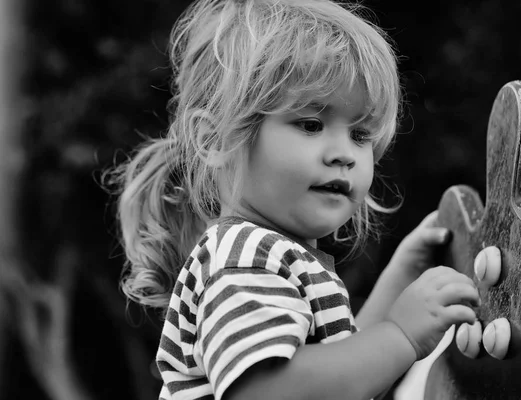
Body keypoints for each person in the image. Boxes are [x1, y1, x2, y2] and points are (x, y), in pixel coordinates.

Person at [111, 0, 482, 399]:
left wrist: (402, 275)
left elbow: (344, 372)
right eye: (311, 124)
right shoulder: (244, 256)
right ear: (214, 139)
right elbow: (269, 392)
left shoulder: (277, 257)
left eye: (361, 135)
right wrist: (400, 334)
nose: (345, 153)